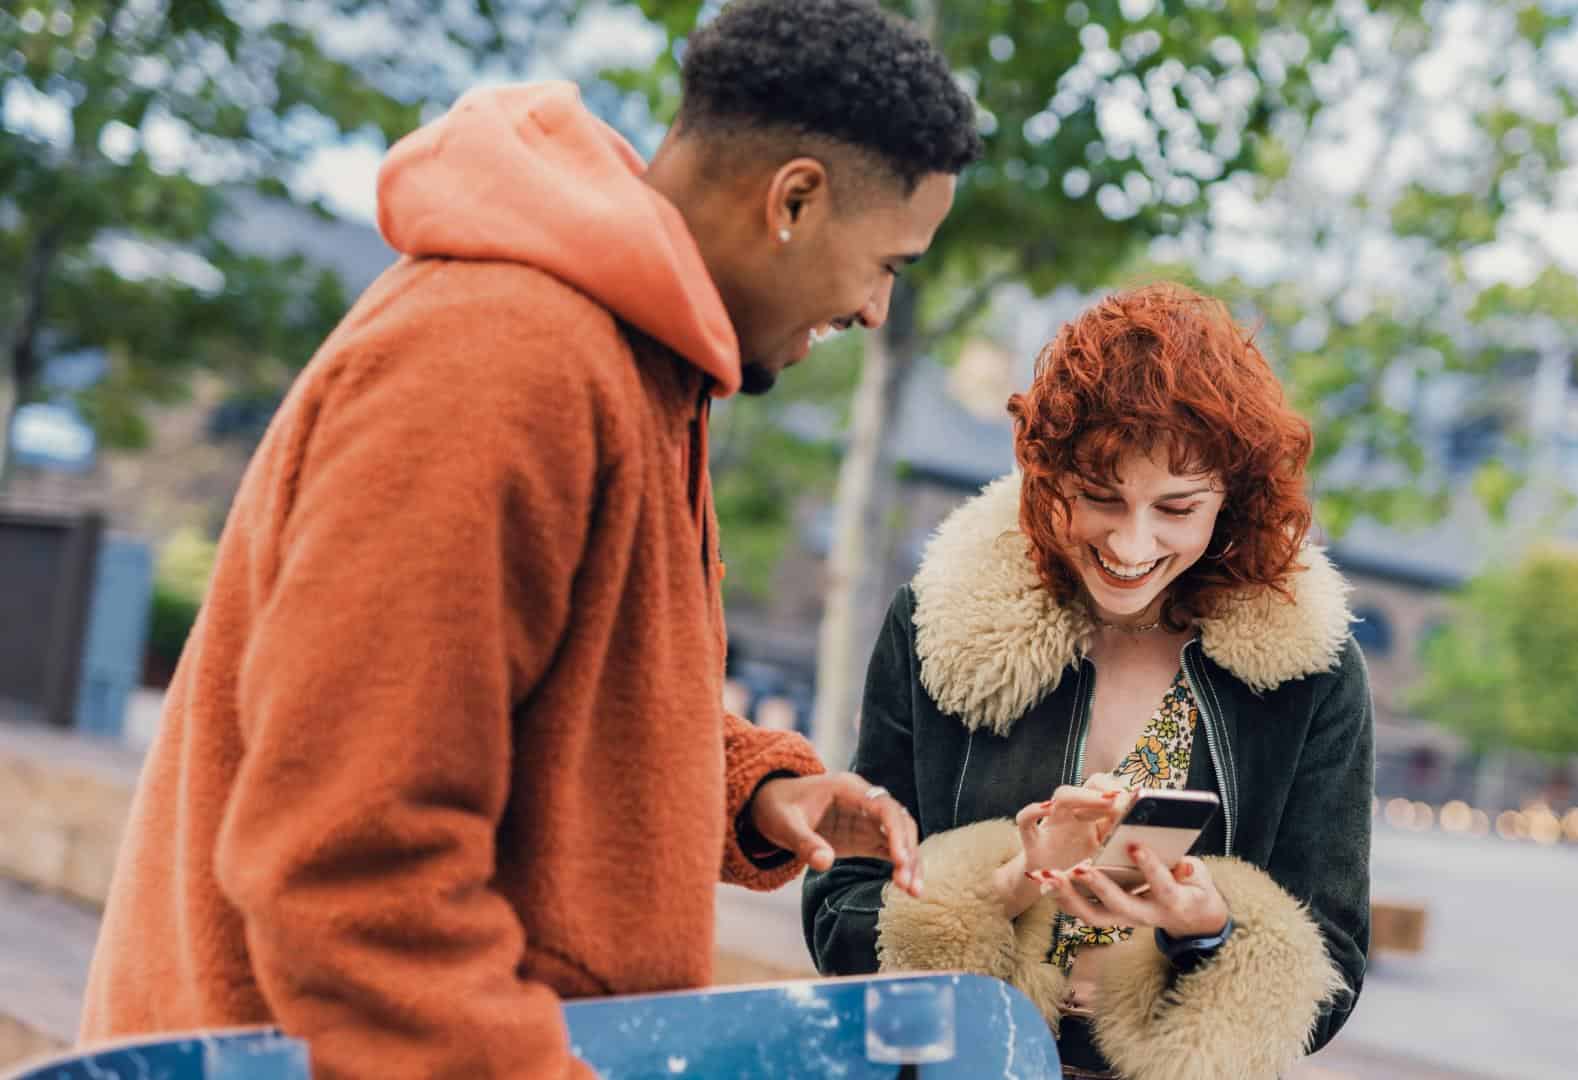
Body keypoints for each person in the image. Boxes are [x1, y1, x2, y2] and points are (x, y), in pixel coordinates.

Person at [80, 2, 981, 1076]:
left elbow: (539, 708)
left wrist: (749, 784)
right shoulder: (499, 364)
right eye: (890, 263)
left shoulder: (635, 367)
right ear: (794, 198)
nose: (879, 311)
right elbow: (348, 868)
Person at [803, 284, 1373, 1079]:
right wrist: (1003, 886)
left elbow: (1333, 968)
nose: (1132, 543)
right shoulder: (938, 622)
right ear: (1045, 476)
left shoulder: (1310, 669)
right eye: (1101, 497)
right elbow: (839, 912)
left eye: (1177, 508)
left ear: (1231, 503)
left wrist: (1205, 929)